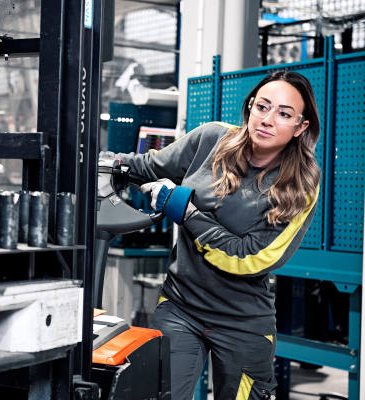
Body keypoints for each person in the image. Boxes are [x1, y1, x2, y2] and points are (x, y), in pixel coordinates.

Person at [113, 71, 320, 399]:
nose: (267, 119)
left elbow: (248, 256)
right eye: (262, 106)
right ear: (250, 106)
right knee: (157, 392)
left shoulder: (300, 186)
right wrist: (107, 166)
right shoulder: (212, 139)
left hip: (243, 323)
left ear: (301, 127)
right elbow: (148, 166)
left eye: (283, 113)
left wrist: (185, 211)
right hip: (181, 305)